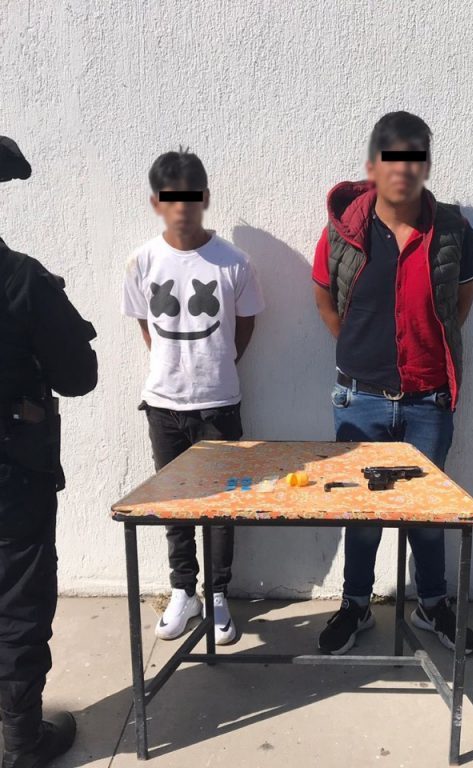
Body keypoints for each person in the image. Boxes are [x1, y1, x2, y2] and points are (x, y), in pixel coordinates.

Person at [312, 111, 473, 655]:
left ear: (425, 166)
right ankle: (355, 606)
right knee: (362, 516)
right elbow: (325, 299)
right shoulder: (344, 231)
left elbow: (459, 306)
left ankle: (432, 605)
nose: (403, 169)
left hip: (429, 399)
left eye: (414, 158)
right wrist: (362, 352)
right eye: (393, 158)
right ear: (373, 165)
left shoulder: (454, 232)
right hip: (359, 399)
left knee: (427, 514)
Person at [122, 148, 265, 643]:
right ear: (156, 202)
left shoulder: (235, 263)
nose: (181, 206)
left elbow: (245, 326)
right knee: (174, 503)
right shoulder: (142, 261)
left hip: (219, 404)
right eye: (170, 197)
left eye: (189, 196)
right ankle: (184, 590)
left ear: (204, 198)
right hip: (163, 405)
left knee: (222, 507)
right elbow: (147, 326)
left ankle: (219, 593)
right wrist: (175, 369)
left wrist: (216, 367)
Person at [0, 137, 98, 767]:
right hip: (13, 473)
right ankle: (21, 742)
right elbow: (78, 376)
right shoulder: (21, 280)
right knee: (17, 602)